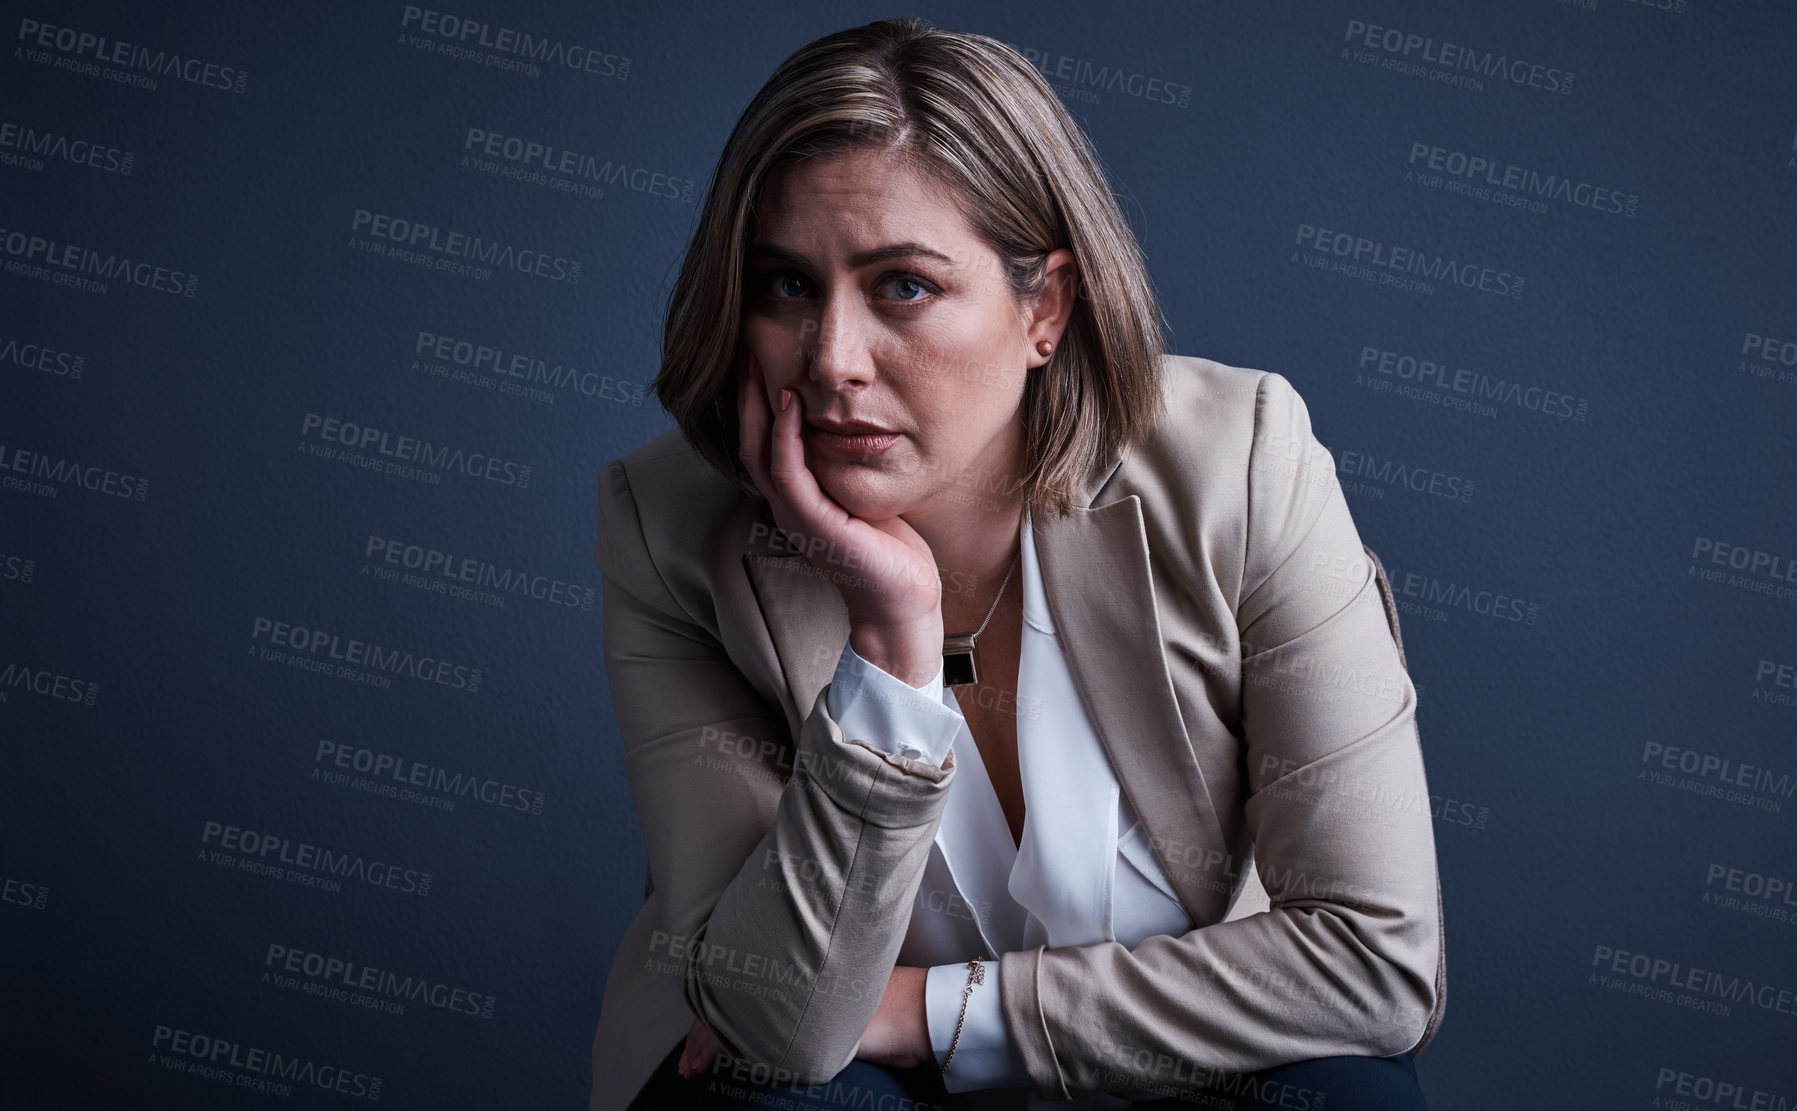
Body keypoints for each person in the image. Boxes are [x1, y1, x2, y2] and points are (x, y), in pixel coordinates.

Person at [589, 16, 1443, 1111]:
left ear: (1043, 309)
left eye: (902, 285)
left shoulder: (1243, 464)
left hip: (1166, 1064)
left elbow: (1376, 962)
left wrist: (931, 1014)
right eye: (787, 287)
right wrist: (892, 651)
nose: (833, 360)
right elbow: (780, 1025)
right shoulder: (668, 529)